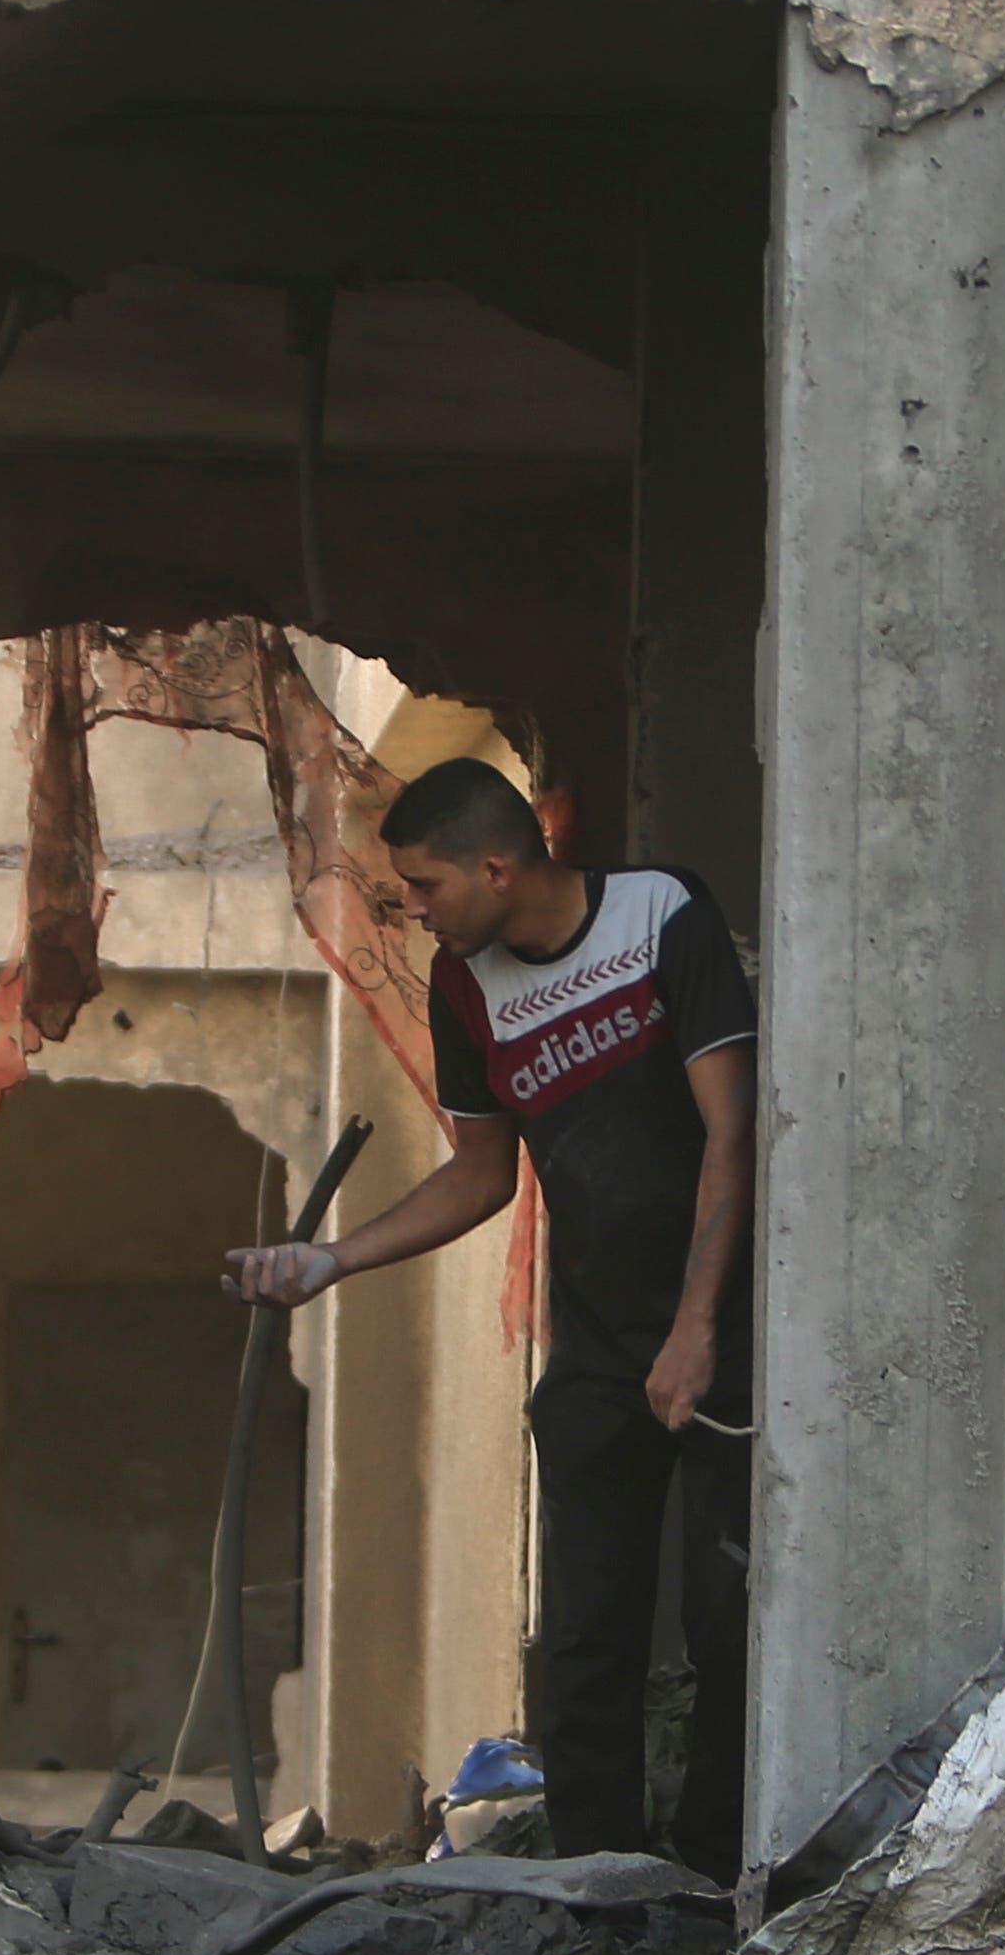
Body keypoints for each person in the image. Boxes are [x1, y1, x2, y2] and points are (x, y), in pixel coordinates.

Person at [219, 756, 754, 1871]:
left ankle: (715, 1872)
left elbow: (731, 1134)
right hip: (599, 1345)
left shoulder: (667, 916)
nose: (411, 910)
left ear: (497, 866)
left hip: (730, 1333)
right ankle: (594, 1882)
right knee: (584, 1639)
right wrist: (329, 1260)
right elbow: (480, 1174)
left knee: (733, 1621)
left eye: (424, 886)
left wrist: (697, 1327)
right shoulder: (465, 988)